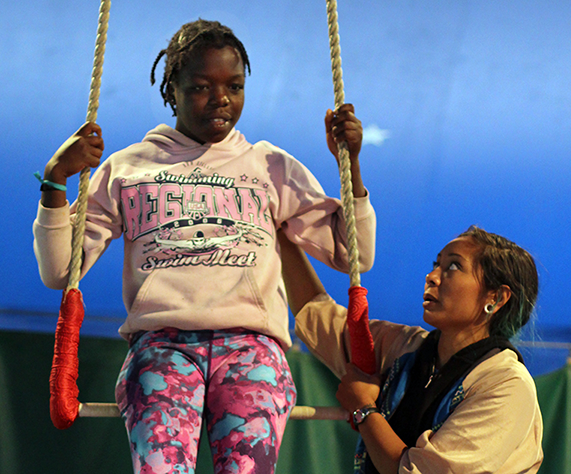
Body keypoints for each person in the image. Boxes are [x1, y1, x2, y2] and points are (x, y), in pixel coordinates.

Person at [33, 18, 376, 474]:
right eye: (201, 86)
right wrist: (56, 179)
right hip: (161, 345)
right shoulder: (128, 168)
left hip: (252, 347)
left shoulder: (269, 165)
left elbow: (355, 255)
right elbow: (60, 271)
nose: (221, 100)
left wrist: (350, 165)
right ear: (171, 87)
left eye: (234, 86)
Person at [279, 226, 543, 474]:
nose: (432, 277)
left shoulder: (506, 384)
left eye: (453, 266)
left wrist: (364, 409)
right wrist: (277, 230)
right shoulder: (403, 348)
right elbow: (316, 316)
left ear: (496, 297)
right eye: (436, 264)